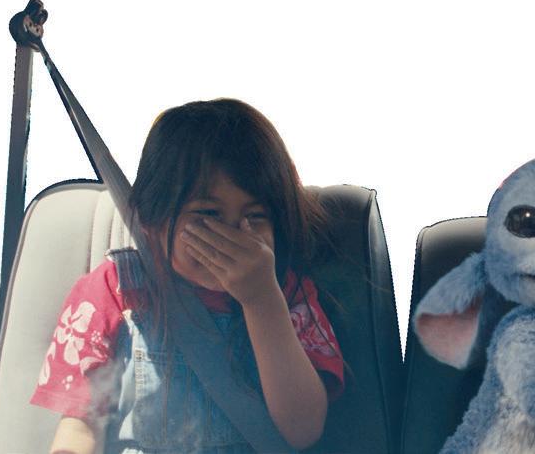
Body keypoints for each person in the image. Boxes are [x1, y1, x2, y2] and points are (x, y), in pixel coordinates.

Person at [31, 99, 344, 454]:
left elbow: (303, 430)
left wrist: (262, 301)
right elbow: (80, 428)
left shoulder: (288, 296)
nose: (233, 236)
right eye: (207, 215)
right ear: (151, 220)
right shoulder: (115, 290)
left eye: (255, 217)